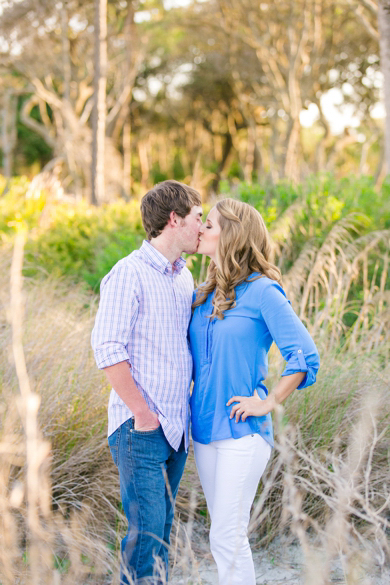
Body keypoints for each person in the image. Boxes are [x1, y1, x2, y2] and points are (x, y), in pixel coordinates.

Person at [189, 198, 320, 585]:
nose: (201, 230)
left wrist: (267, 401)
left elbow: (304, 356)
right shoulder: (202, 294)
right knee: (222, 536)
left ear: (231, 234)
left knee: (226, 535)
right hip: (203, 430)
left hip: (242, 431)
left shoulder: (264, 292)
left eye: (209, 225)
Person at [91, 180, 203, 585]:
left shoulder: (183, 278)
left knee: (162, 535)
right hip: (141, 428)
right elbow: (107, 348)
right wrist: (142, 414)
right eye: (197, 218)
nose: (202, 227)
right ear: (174, 219)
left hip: (175, 430)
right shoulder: (129, 273)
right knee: (148, 534)